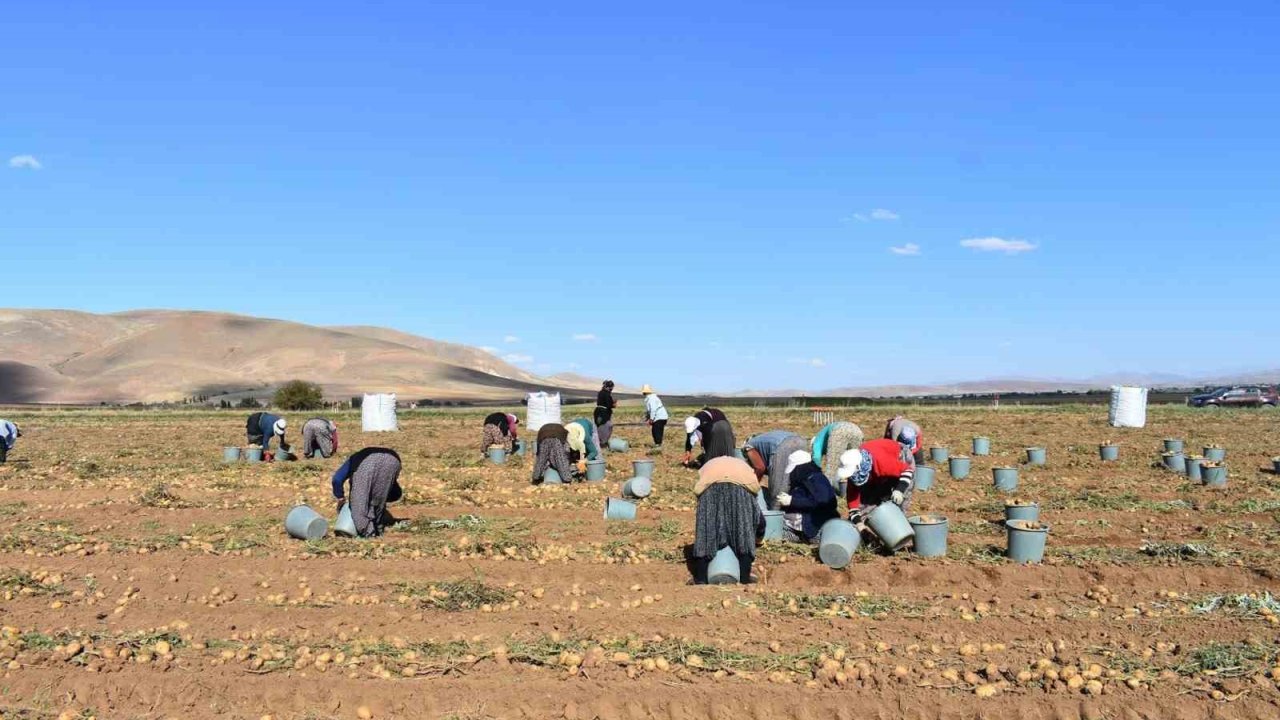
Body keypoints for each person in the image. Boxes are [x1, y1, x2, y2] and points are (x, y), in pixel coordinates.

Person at [689, 456, 765, 585]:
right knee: (743, 533)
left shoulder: (711, 463)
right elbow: (760, 520)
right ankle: (744, 578)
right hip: (741, 491)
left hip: (710, 489)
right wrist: (758, 537)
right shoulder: (744, 468)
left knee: (706, 531)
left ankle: (701, 578)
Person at [838, 437, 917, 528]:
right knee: (867, 503)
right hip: (878, 470)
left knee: (899, 500)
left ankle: (900, 531)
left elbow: (907, 471)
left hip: (900, 456)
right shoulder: (854, 475)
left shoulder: (881, 462)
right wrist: (859, 524)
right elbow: (853, 505)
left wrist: (899, 490)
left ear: (860, 468)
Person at [331, 447, 403, 537]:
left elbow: (337, 479)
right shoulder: (358, 457)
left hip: (367, 463)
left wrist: (340, 497)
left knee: (358, 506)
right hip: (394, 459)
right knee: (377, 500)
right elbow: (394, 491)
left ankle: (368, 534)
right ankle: (378, 527)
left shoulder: (353, 460)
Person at [774, 450, 839, 543]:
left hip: (815, 524)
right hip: (807, 523)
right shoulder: (805, 478)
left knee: (776, 527)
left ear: (799, 467)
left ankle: (805, 536)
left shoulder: (817, 479)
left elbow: (821, 502)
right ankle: (799, 536)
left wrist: (792, 501)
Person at [742, 430, 807, 509]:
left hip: (783, 446)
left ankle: (775, 516)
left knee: (778, 492)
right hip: (800, 441)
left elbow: (760, 467)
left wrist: (753, 484)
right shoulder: (763, 439)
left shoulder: (748, 446)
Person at [811, 420, 865, 491]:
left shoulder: (816, 441)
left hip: (839, 431)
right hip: (856, 430)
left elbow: (816, 457)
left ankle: (827, 491)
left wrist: (815, 471)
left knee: (832, 466)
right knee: (854, 460)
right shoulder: (825, 435)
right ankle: (855, 487)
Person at [594, 381, 617, 445]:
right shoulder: (607, 394)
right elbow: (609, 404)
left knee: (600, 426)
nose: (611, 390)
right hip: (603, 413)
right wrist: (614, 404)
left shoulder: (601, 392)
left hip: (598, 412)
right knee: (606, 426)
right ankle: (602, 442)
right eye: (611, 388)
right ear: (607, 387)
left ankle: (599, 441)